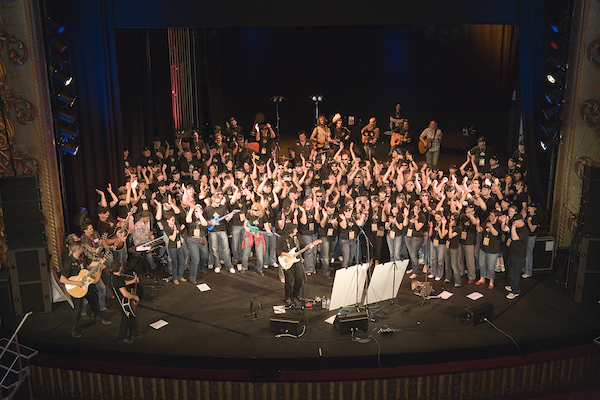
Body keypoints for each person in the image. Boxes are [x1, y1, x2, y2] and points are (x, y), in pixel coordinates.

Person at [60, 241, 111, 338]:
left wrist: (100, 262)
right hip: (76, 287)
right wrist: (77, 283)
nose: (84, 249)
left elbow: (89, 265)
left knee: (94, 300)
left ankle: (98, 317)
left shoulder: (82, 257)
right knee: (77, 309)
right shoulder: (69, 261)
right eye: (82, 248)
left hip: (86, 284)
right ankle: (72, 329)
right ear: (77, 250)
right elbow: (62, 279)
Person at [277, 223, 313, 304]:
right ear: (291, 230)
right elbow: (278, 251)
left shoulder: (297, 237)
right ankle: (288, 297)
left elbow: (303, 246)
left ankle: (295, 295)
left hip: (297, 261)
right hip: (287, 261)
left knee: (299, 279)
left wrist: (308, 246)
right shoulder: (282, 239)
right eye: (295, 229)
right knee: (289, 281)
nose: (297, 230)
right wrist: (287, 254)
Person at [110, 260, 143, 344]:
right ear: (120, 268)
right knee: (126, 318)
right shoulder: (117, 279)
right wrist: (135, 297)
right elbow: (125, 294)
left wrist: (133, 281)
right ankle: (121, 337)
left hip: (122, 301)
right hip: (121, 302)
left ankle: (134, 333)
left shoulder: (115, 277)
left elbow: (123, 283)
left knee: (131, 315)